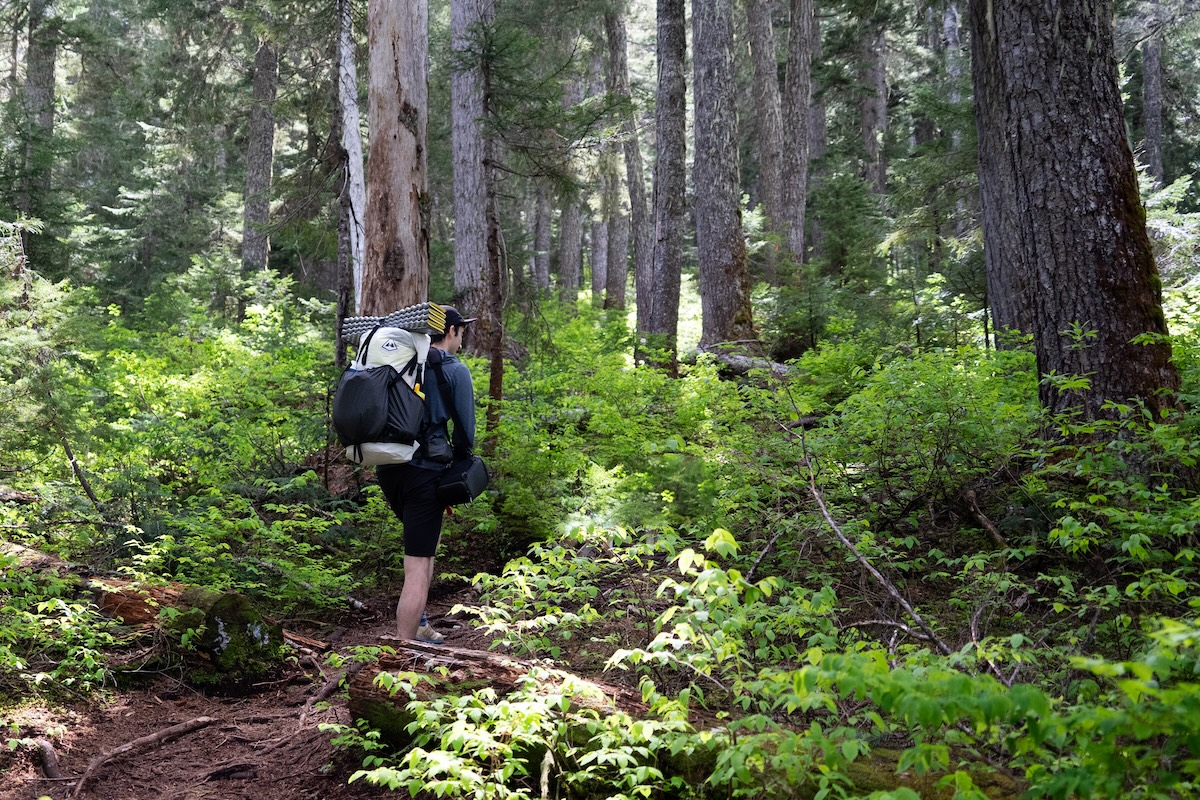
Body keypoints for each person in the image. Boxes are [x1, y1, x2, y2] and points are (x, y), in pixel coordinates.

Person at [377, 305, 477, 643]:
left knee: (426, 545)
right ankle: (404, 651)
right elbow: (465, 433)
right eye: (461, 331)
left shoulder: (401, 362)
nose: (462, 339)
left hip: (389, 467)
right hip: (425, 472)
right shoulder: (454, 370)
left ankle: (420, 625)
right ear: (451, 331)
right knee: (417, 567)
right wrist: (458, 469)